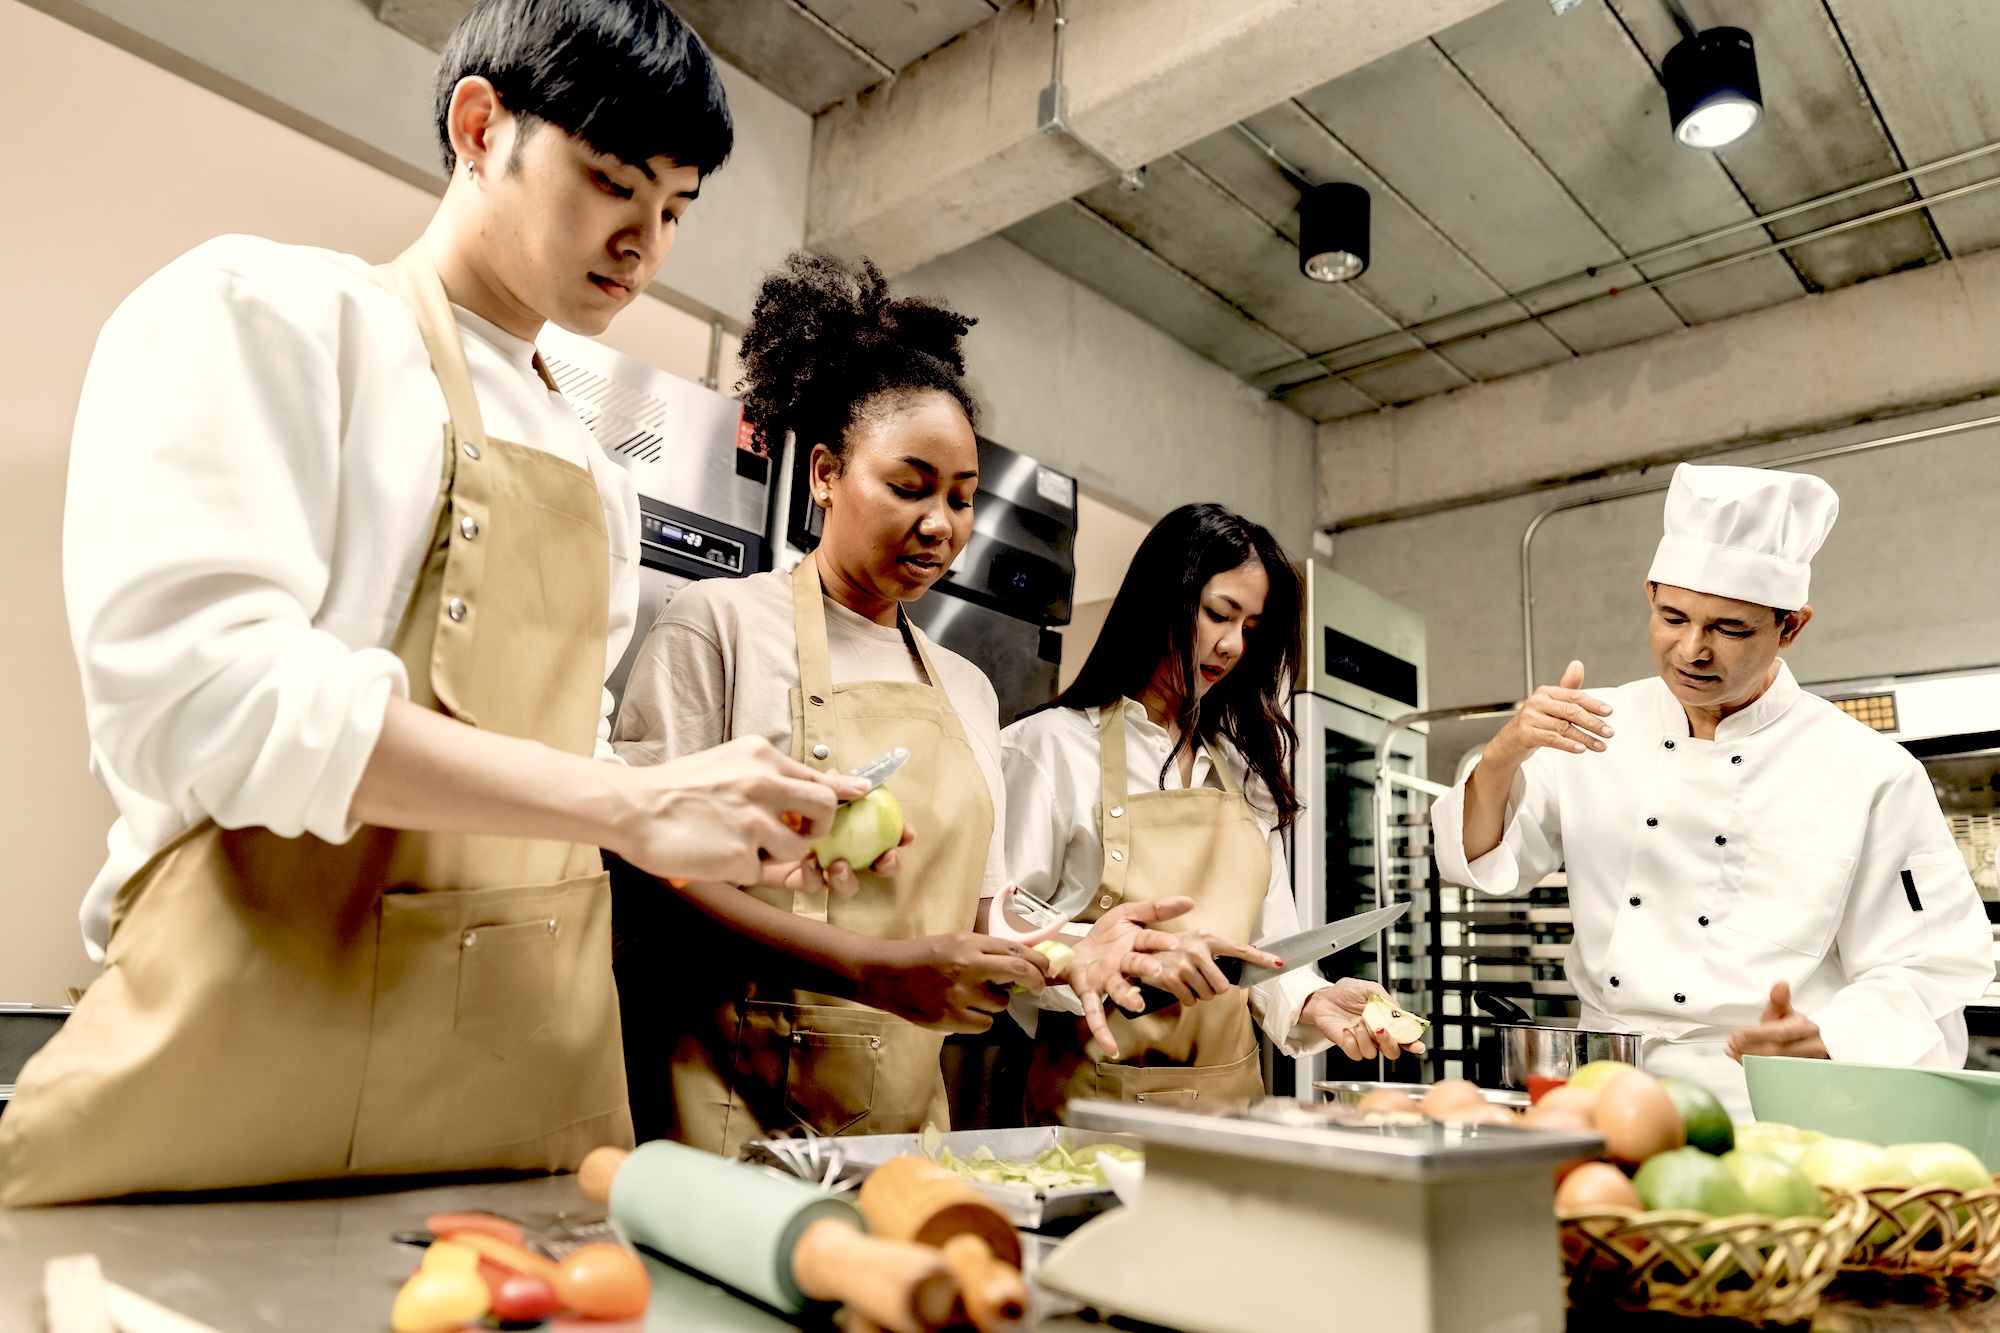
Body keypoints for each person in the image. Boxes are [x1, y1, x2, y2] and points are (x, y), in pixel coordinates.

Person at [0, 0, 860, 1207]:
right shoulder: (273, 315)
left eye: (673, 211)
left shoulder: (602, 486)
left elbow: (557, 769)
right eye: (612, 183)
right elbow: (205, 700)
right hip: (235, 1075)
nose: (643, 244)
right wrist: (630, 799)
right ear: (477, 126)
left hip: (504, 1112)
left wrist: (723, 822)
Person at [613, 250, 1101, 1155]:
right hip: (729, 1103)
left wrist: (1079, 948)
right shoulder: (717, 624)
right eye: (909, 487)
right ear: (827, 473)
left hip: (907, 1121)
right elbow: (653, 873)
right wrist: (873, 971)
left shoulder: (968, 687)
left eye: (961, 499)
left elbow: (986, 901)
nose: (941, 525)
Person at [1433, 463, 1993, 1122]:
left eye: (1729, 628)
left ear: (1791, 627)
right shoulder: (1592, 725)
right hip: (1604, 1095)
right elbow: (1483, 860)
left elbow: (1932, 961)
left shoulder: (1869, 770)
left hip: (1768, 1102)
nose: (1691, 649)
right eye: (1672, 616)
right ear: (1649, 595)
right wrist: (1502, 756)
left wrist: (1835, 1033)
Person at [1001, 504, 1424, 1119]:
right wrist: (1100, 957)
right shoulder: (1049, 748)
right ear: (1160, 599)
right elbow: (1006, 937)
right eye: (1218, 614)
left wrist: (1313, 1000)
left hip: (1234, 1116)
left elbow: (1268, 947)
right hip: (1096, 1113)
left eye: (1252, 628)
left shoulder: (1246, 772)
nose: (1231, 646)